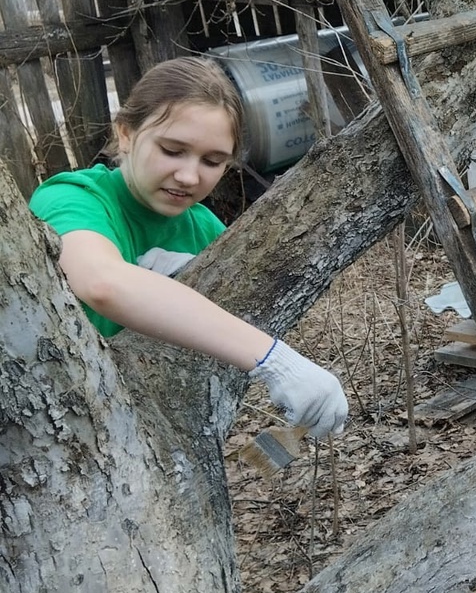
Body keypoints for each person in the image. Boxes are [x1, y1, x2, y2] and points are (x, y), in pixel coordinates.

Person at [28, 56, 348, 437]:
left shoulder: (205, 230)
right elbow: (100, 282)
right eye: (172, 150)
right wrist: (274, 360)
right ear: (126, 133)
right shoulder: (74, 197)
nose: (188, 176)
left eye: (212, 161)